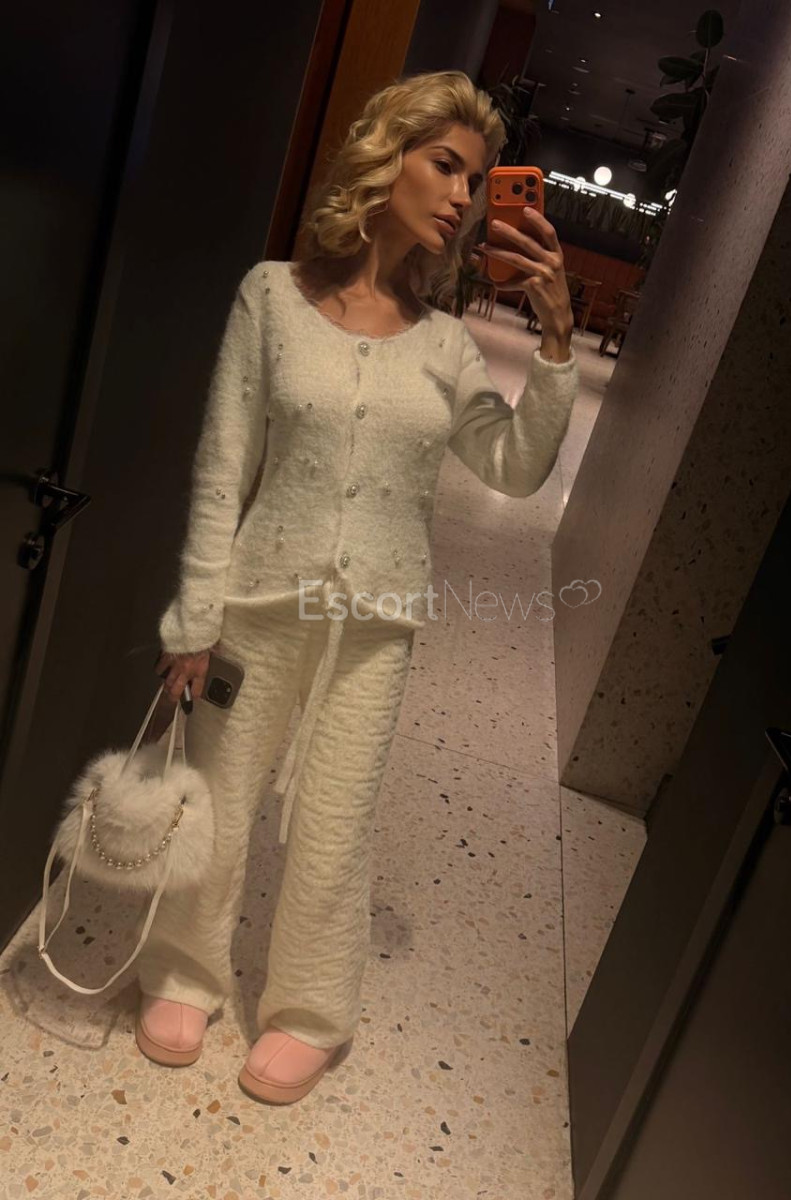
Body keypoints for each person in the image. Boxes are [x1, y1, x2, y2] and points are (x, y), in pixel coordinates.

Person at [139, 69, 578, 1106]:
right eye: (446, 166)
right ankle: (186, 974)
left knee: (336, 823)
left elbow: (515, 466)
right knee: (219, 801)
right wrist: (193, 618)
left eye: (476, 180)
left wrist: (557, 344)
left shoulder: (445, 345)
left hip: (373, 628)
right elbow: (223, 465)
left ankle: (309, 1011)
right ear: (387, 159)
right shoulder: (269, 298)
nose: (463, 196)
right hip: (256, 608)